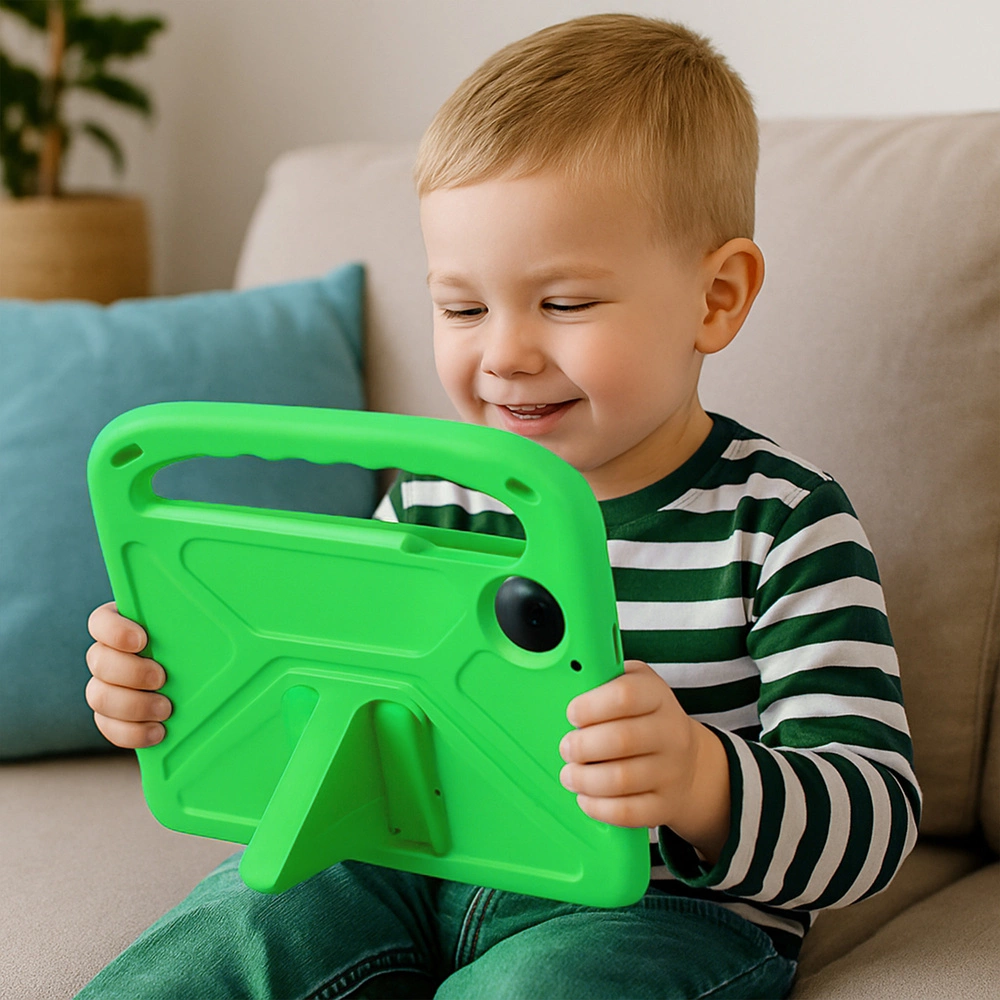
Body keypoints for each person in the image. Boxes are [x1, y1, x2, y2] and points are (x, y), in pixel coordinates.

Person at [79, 14, 920, 999]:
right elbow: (334, 724)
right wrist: (182, 690)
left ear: (716, 297)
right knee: (237, 926)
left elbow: (876, 818)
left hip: (652, 911)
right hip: (408, 864)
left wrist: (702, 780)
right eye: (463, 308)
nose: (505, 354)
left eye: (564, 303)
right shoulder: (431, 500)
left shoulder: (782, 522)